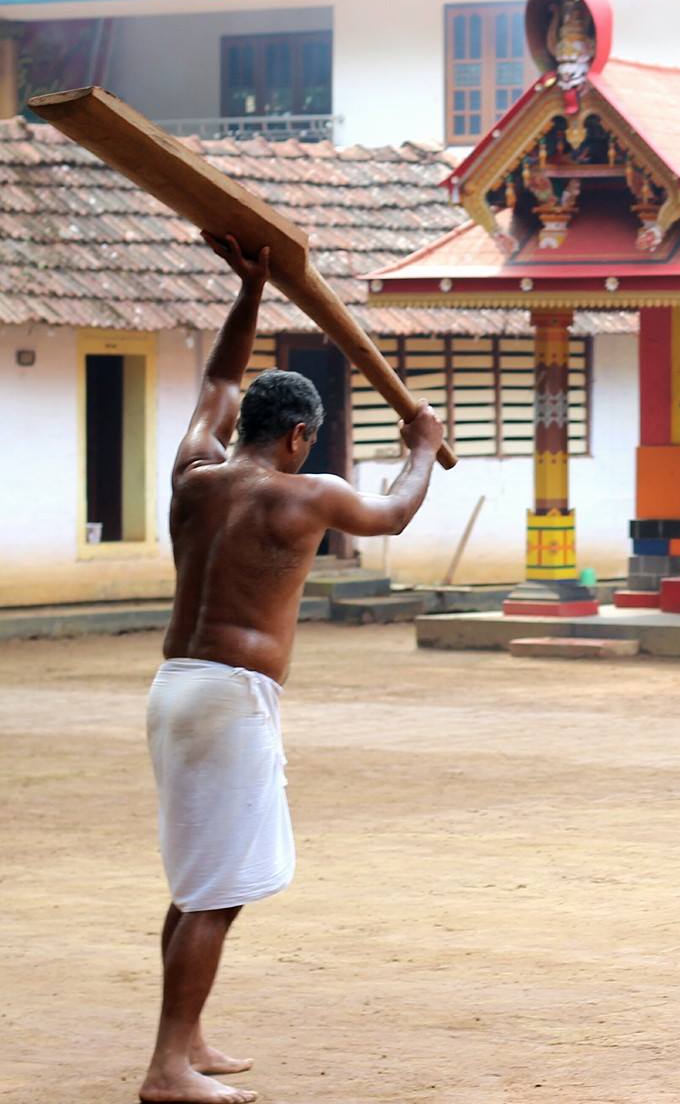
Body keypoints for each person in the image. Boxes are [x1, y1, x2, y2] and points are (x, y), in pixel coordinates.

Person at [140, 232, 444, 1104]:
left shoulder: (194, 473)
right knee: (217, 888)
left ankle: (186, 1040)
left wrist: (249, 289)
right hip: (231, 700)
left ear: (246, 428)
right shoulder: (301, 494)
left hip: (173, 692)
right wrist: (422, 442)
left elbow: (215, 385)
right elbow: (390, 513)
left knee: (202, 878)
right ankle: (166, 1069)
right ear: (301, 435)